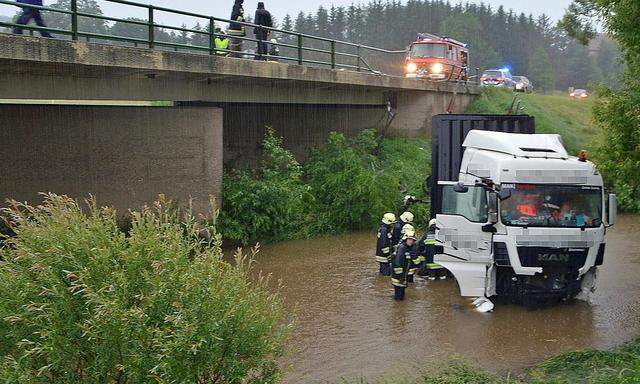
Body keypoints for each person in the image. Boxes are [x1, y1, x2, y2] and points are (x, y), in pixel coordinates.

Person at [391, 227, 418, 301]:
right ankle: (397, 309)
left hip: (403, 275)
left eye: (412, 240)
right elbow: (397, 262)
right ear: (405, 239)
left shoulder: (408, 248)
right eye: (409, 239)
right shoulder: (402, 248)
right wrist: (400, 276)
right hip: (399, 276)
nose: (411, 241)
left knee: (401, 296)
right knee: (399, 297)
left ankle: (399, 308)